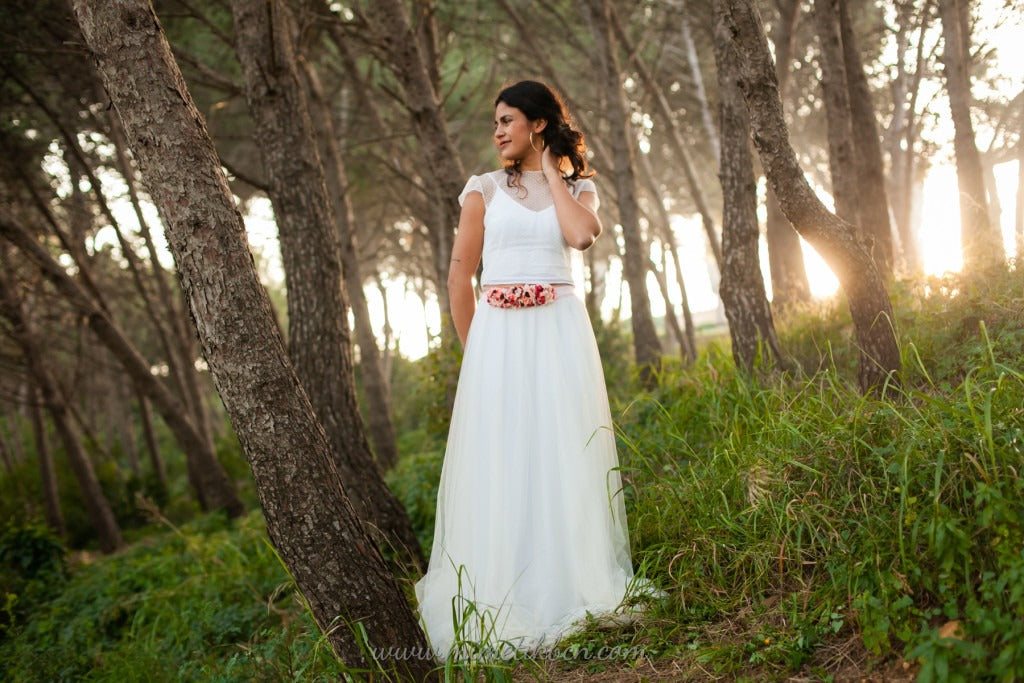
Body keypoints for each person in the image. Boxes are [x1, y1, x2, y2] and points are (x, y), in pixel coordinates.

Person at [413, 80, 643, 662]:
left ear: (537, 124)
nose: (497, 131)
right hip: (499, 342)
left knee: (563, 450)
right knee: (503, 457)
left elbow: (579, 236)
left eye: (508, 120)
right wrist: (478, 355)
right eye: (495, 122)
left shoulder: (582, 190)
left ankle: (567, 584)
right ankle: (502, 587)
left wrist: (554, 174)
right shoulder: (482, 190)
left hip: (559, 336)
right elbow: (460, 277)